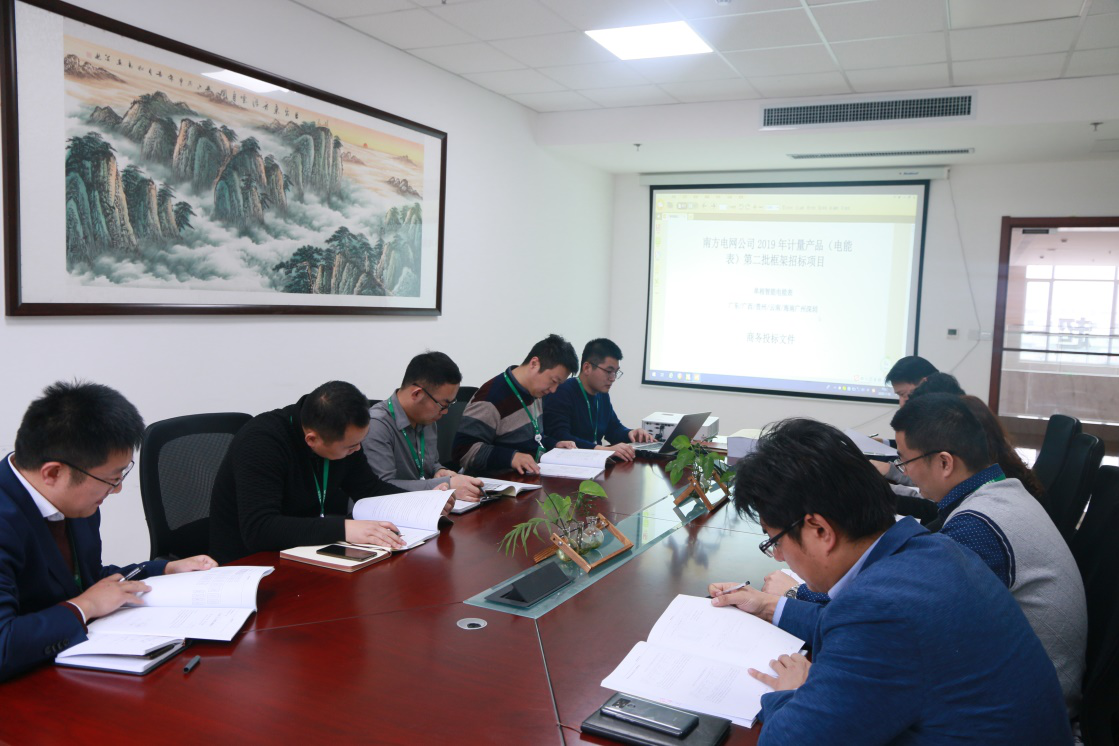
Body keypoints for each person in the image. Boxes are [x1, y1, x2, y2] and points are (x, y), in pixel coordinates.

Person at [707, 419, 1071, 744]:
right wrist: (771, 607)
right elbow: (848, 627)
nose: (779, 557)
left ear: (819, 530)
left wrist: (791, 693)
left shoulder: (881, 611)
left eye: (775, 541)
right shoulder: (934, 549)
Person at [0, 381, 216, 682]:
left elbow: (83, 579)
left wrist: (164, 569)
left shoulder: (75, 502)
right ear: (53, 472)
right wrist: (86, 605)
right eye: (111, 479)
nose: (117, 490)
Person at [209, 380, 413, 563]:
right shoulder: (261, 443)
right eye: (351, 446)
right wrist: (344, 529)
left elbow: (369, 488)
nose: (358, 449)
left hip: (307, 550)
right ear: (312, 440)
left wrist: (422, 504)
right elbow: (260, 529)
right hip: (249, 563)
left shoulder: (340, 431)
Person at [363, 351, 483, 500]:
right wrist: (448, 484)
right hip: (382, 510)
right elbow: (382, 487)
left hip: (422, 505)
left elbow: (429, 465)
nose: (445, 412)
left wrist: (440, 471)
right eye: (443, 404)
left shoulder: (427, 419)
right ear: (417, 394)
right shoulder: (376, 425)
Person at [453, 334, 578, 475]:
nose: (553, 390)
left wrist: (554, 445)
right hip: (498, 481)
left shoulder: (535, 392)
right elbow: (463, 452)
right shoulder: (490, 398)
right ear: (534, 364)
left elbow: (533, 439)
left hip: (528, 477)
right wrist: (511, 458)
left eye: (559, 384)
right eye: (554, 381)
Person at [542, 338, 654, 461]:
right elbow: (560, 437)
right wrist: (601, 450)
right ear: (587, 368)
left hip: (595, 463)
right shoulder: (561, 391)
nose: (613, 378)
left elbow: (613, 428)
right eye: (609, 371)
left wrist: (630, 434)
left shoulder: (602, 394)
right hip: (568, 464)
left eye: (616, 372)